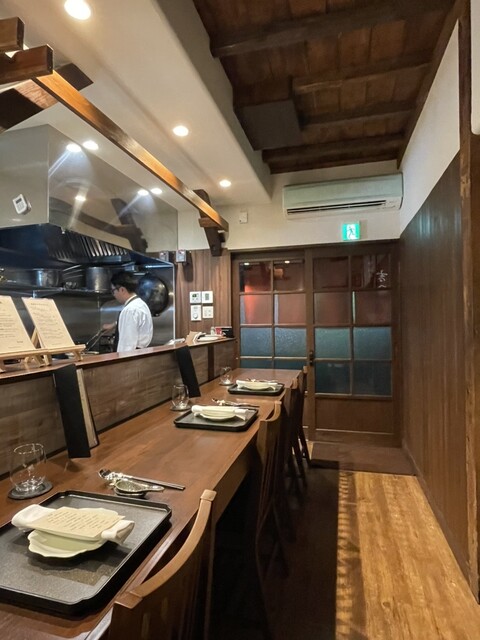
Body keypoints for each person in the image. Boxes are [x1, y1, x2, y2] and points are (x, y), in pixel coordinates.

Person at [104, 271, 153, 352]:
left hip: (132, 356)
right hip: (140, 353)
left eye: (113, 291)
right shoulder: (141, 304)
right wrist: (114, 324)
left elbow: (127, 345)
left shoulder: (130, 310)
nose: (114, 294)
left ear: (122, 289)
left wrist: (121, 359)